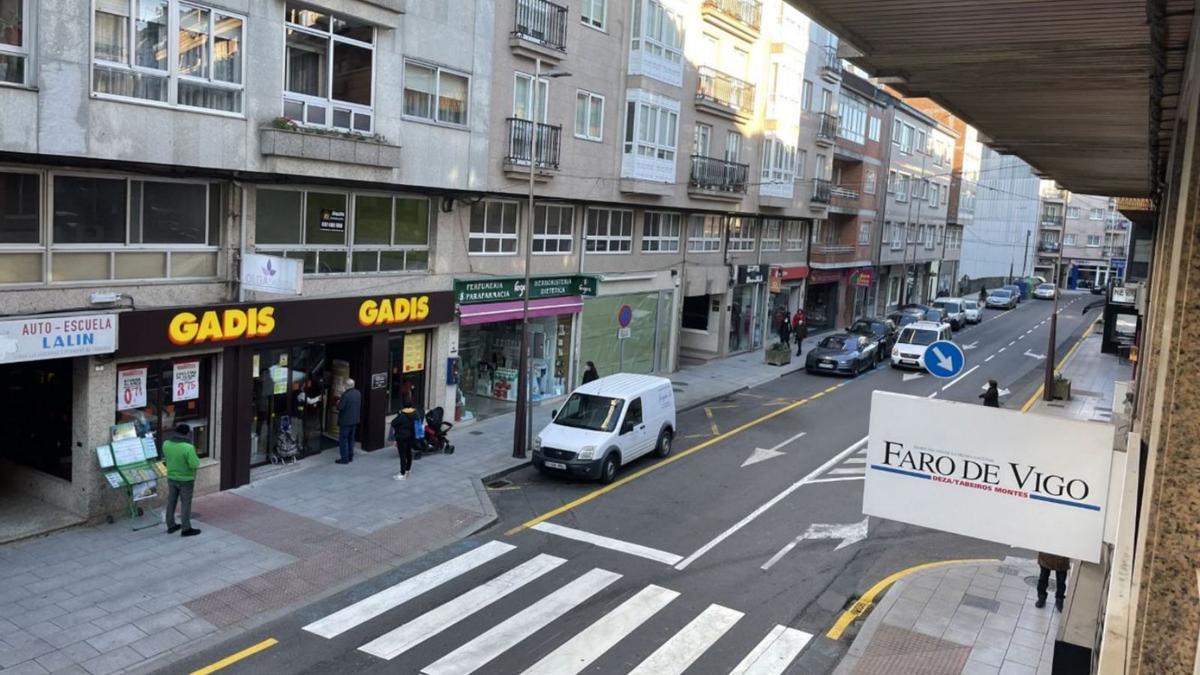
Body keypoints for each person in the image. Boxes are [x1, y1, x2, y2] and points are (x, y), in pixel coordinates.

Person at [163, 423, 201, 537]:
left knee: (171, 501)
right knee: (185, 503)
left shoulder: (166, 444)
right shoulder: (188, 447)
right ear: (187, 433)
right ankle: (186, 528)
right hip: (186, 479)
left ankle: (170, 525)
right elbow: (194, 464)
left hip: (171, 477)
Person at [389, 395, 424, 480]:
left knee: (402, 455)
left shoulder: (402, 415)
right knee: (409, 454)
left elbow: (393, 423)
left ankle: (402, 473)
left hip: (401, 438)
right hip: (411, 437)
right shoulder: (416, 413)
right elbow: (419, 425)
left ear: (403, 405)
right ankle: (408, 470)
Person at [335, 379, 361, 464]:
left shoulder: (345, 395)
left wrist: (338, 403)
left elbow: (340, 407)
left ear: (346, 385)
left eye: (344, 384)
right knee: (351, 439)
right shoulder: (358, 393)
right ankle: (350, 456)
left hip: (345, 421)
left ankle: (344, 459)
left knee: (343, 440)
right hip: (354, 420)